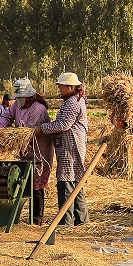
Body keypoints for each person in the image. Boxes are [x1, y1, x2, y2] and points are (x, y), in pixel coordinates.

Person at [0, 77, 52, 222]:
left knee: (36, 185)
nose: (19, 99)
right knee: (25, 183)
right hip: (25, 150)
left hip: (39, 150)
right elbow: (6, 115)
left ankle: (37, 219)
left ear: (29, 96)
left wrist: (11, 138)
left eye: (22, 97)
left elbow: (28, 132)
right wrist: (0, 131)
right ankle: (27, 217)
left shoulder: (38, 109)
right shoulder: (17, 105)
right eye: (18, 97)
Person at [39, 71, 90, 226]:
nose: (59, 89)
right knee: (76, 182)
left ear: (70, 87)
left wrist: (41, 128)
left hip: (71, 146)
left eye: (61, 86)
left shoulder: (73, 102)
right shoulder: (73, 100)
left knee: (67, 182)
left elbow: (63, 125)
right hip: (70, 145)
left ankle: (66, 221)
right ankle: (82, 220)